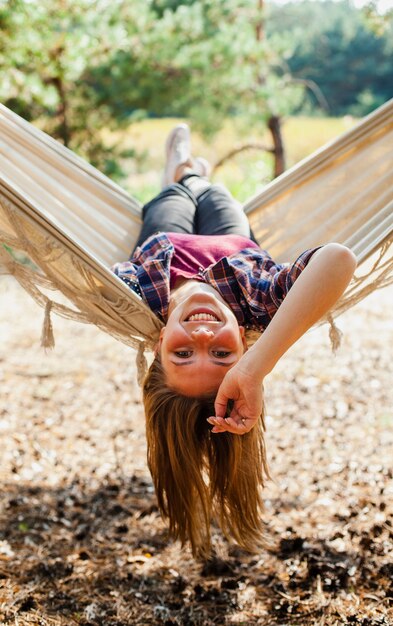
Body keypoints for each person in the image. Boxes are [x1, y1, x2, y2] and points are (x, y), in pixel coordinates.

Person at [112, 124, 357, 557]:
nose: (203, 335)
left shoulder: (140, 298)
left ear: (157, 344)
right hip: (233, 236)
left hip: (164, 235)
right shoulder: (259, 300)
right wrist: (252, 369)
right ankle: (194, 173)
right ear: (245, 343)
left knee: (176, 193)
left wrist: (234, 359)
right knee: (212, 191)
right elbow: (338, 259)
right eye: (222, 353)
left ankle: (181, 171)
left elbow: (87, 280)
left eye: (182, 353)